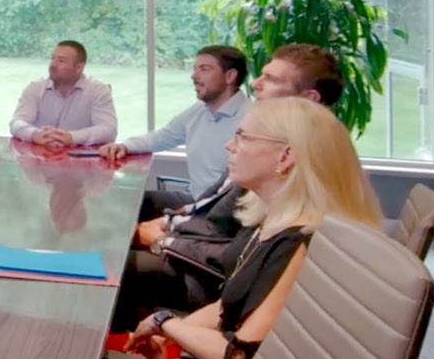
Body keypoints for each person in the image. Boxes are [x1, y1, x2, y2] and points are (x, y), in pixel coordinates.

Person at [95, 96, 383, 359]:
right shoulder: (277, 225)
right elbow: (225, 310)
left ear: (286, 156)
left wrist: (165, 324)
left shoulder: (298, 243)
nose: (231, 145)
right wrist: (157, 336)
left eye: (243, 137)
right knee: (101, 346)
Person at [118, 43, 345, 320]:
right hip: (213, 259)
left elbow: (239, 249)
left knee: (118, 266)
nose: (257, 85)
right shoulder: (271, 137)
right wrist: (168, 226)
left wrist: (165, 240)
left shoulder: (286, 155)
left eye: (271, 79)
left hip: (219, 283)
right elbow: (217, 205)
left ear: (308, 97)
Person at [99, 46, 250, 202]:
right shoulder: (198, 111)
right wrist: (125, 146)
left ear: (230, 76)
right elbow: (163, 136)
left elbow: (241, 191)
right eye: (194, 69)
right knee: (129, 200)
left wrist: (186, 213)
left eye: (204, 69)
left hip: (222, 210)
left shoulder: (251, 120)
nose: (194, 76)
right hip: (194, 200)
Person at [10, 40, 116, 147]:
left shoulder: (98, 91)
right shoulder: (35, 88)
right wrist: (35, 134)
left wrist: (71, 137)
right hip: (40, 157)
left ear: (79, 67)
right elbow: (16, 122)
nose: (53, 65)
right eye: (52, 58)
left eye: (61, 61)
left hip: (79, 160)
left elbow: (109, 130)